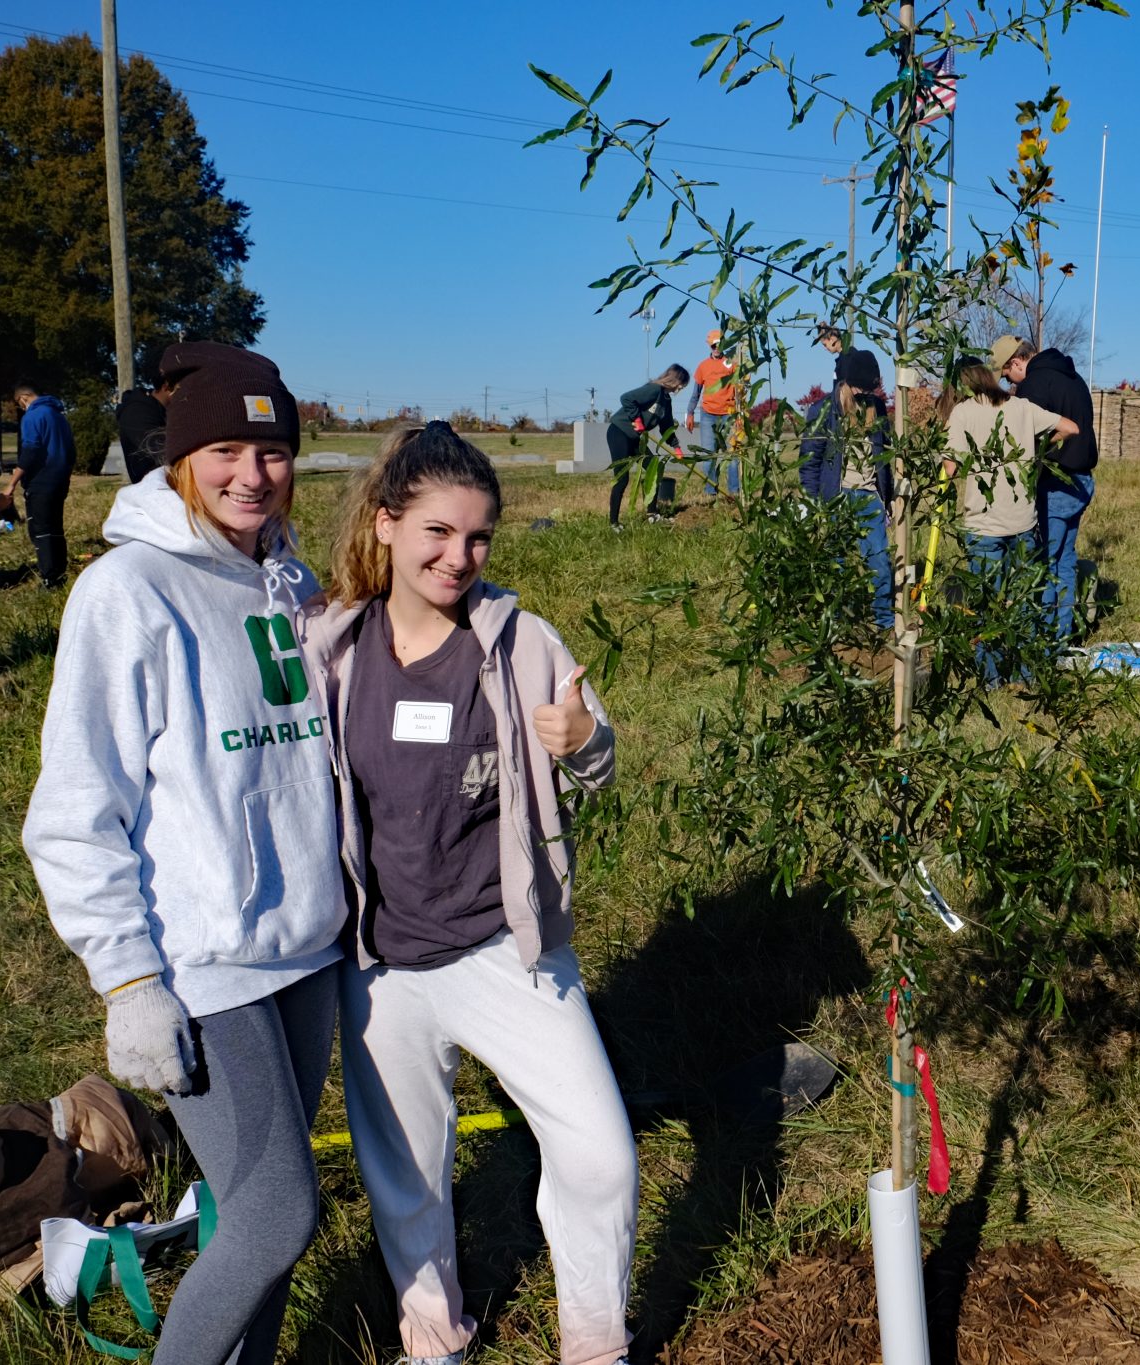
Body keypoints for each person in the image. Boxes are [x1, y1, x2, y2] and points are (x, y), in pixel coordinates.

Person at [22, 341, 346, 1365]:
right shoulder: (128, 590)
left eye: (274, 451)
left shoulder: (289, 580)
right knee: (276, 1215)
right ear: (180, 458)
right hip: (206, 962)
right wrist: (128, 980)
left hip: (307, 947)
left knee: (260, 1225)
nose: (253, 474)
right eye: (225, 451)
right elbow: (76, 808)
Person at [301, 423, 636, 1365]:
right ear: (386, 524)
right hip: (380, 965)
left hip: (504, 948)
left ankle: (595, 1344)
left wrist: (585, 741)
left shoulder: (521, 642)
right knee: (407, 1178)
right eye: (439, 532)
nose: (460, 557)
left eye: (479, 537)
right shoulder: (330, 645)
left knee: (600, 1154)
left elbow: (599, 761)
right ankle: (433, 1339)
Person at [938, 357, 1075, 680]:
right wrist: (1036, 445)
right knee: (1023, 602)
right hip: (1023, 522)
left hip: (983, 524)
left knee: (986, 604)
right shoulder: (1022, 407)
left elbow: (950, 468)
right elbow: (1070, 428)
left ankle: (991, 677)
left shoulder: (963, 412)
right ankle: (1024, 674)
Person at [990, 335, 1098, 641]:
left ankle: (1044, 642)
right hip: (1082, 481)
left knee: (1044, 564)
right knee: (1064, 560)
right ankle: (1061, 637)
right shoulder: (1072, 376)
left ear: (1016, 363)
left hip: (1055, 484)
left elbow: (1026, 437)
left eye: (1006, 375)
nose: (1009, 383)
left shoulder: (1034, 386)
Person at [799, 348, 894, 630]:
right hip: (836, 496)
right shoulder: (823, 411)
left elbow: (885, 456)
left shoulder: (877, 408)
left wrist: (888, 498)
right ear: (848, 383)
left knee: (879, 561)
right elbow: (809, 463)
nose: (865, 394)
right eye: (860, 389)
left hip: (868, 496)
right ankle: (836, 622)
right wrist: (816, 503)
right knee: (835, 563)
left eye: (870, 390)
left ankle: (885, 621)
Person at [5, 383, 76, 587]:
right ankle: (59, 573)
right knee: (56, 528)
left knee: (41, 530)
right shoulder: (59, 416)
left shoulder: (32, 416)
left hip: (40, 480)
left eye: (19, 404)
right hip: (60, 479)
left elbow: (31, 449)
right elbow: (71, 449)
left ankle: (49, 577)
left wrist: (13, 482)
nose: (21, 408)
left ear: (24, 398)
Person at [607, 365, 687, 529]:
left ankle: (652, 514)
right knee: (622, 479)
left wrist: (676, 447)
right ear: (673, 379)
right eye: (681, 383)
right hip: (619, 432)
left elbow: (666, 427)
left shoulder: (666, 401)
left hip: (635, 438)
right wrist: (636, 419)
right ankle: (613, 523)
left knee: (654, 469)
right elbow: (626, 398)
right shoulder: (654, 389)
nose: (681, 387)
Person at [684, 328, 741, 497]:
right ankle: (711, 492)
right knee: (709, 455)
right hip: (708, 415)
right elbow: (696, 393)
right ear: (709, 345)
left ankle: (734, 492)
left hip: (729, 414)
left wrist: (739, 415)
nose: (716, 348)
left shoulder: (732, 363)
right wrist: (690, 413)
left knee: (732, 454)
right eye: (713, 345)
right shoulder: (703, 366)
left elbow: (739, 391)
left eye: (719, 344)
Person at [116, 366, 178, 485]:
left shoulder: (164, 411)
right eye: (182, 388)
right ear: (166, 386)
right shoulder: (137, 412)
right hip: (155, 489)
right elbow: (163, 453)